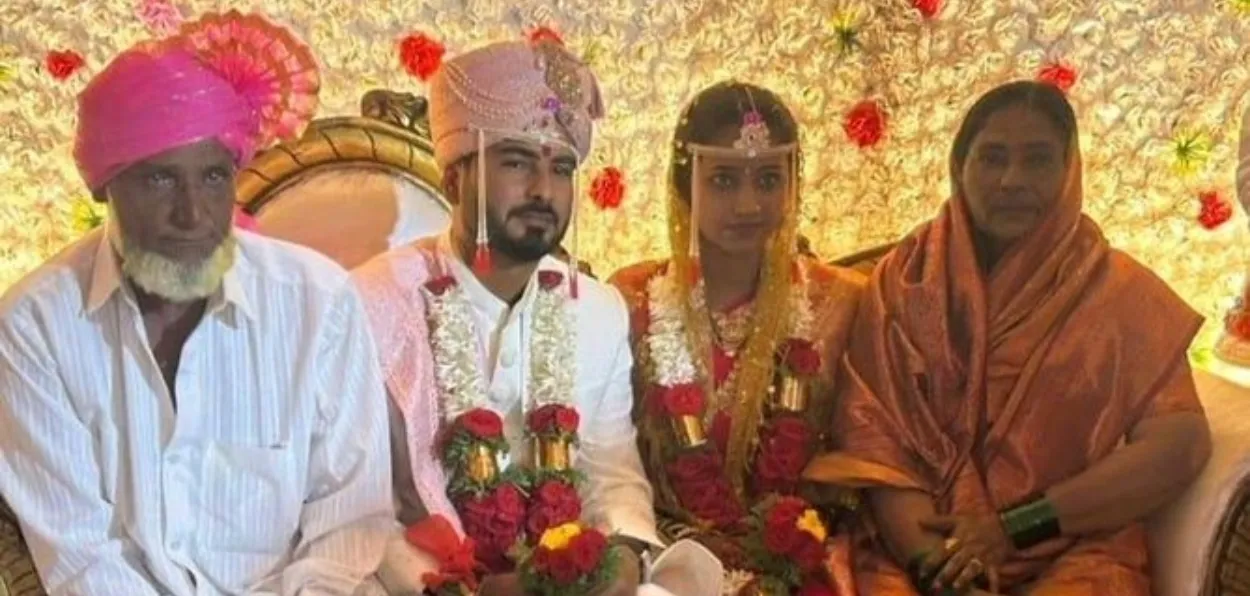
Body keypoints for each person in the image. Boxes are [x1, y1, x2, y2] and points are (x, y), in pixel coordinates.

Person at [0, 11, 393, 596]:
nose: (193, 214)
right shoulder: (34, 325)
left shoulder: (319, 301)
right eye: (160, 181)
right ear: (102, 186)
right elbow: (80, 556)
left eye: (212, 177)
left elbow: (349, 519)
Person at [832, 80, 1212, 594]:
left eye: (1037, 160)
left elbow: (1179, 445)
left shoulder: (1117, 292)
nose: (1012, 180)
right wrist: (940, 571)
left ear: (1068, 171)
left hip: (1073, 543)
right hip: (922, 549)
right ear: (959, 168)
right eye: (991, 158)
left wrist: (1016, 527)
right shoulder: (904, 282)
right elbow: (878, 446)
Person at [355, 38, 696, 595]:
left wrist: (623, 555)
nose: (543, 190)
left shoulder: (599, 313)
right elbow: (360, 509)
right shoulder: (372, 304)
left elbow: (612, 471)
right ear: (454, 179)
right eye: (516, 161)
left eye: (561, 168)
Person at [609, 81, 900, 594]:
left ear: (792, 186)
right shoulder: (633, 300)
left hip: (800, 558)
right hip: (666, 558)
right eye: (723, 180)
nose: (748, 204)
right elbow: (610, 459)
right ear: (684, 185)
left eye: (768, 179)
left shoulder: (842, 303)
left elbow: (868, 447)